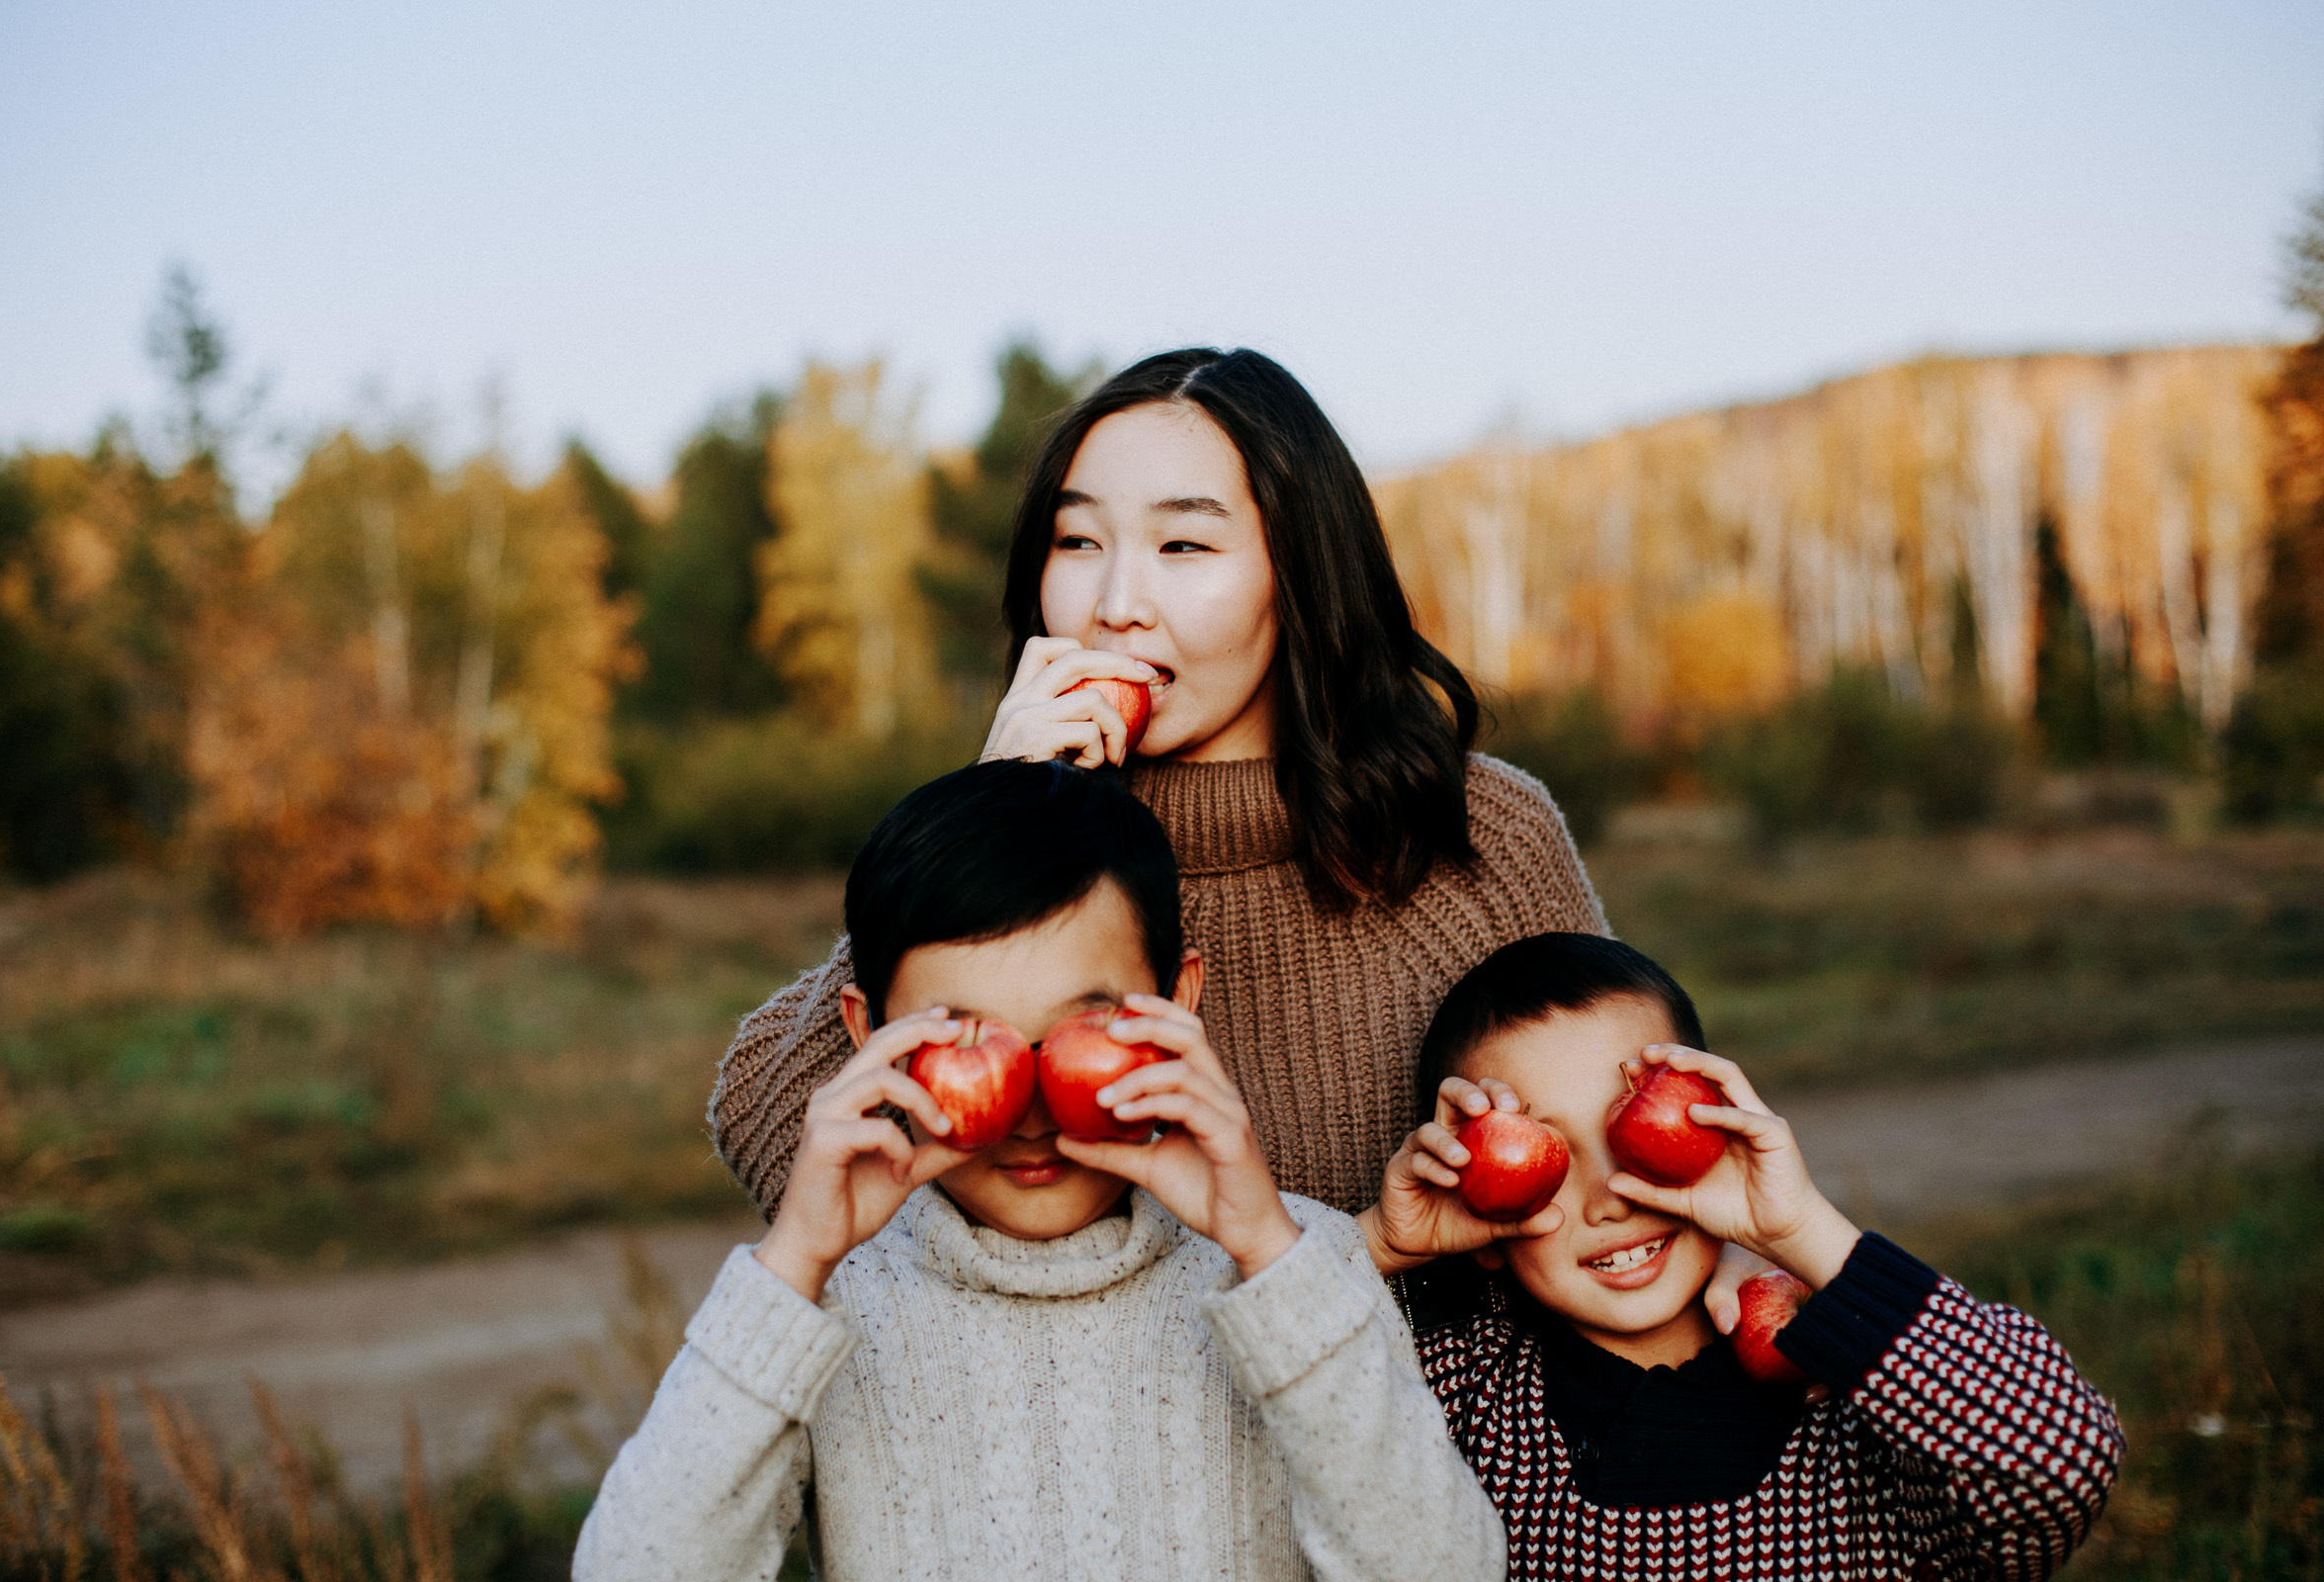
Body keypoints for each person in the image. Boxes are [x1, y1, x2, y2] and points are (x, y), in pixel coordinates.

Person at [712, 346, 1609, 1227]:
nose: (1117, 602)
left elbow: (1619, 1170)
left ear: (1296, 574)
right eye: (1078, 540)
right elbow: (773, 1140)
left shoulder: (1481, 830)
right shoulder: (1047, 833)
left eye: (1183, 543)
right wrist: (990, 819)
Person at [577, 760, 1506, 1582]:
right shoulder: (829, 1301)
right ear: (865, 1033)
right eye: (963, 1037)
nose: (1024, 1107)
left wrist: (1267, 1249)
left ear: (1178, 1001)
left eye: (1080, 1032)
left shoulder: (1306, 1268)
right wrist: (794, 1264)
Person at [1356, 933, 2122, 1581]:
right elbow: (1240, 1435)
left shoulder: (1858, 1399)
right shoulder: (1457, 1398)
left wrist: (1798, 1229)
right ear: (1480, 1206)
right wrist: (1380, 1245)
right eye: (1549, 1159)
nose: (1611, 1199)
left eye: (1632, 1135)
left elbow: (2060, 1459)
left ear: (1718, 1132)